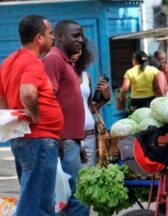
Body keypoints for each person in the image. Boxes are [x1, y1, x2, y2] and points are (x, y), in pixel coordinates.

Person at [0, 15, 64, 215]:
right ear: (39, 37)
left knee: (32, 197)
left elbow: (2, 98)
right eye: (50, 33)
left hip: (25, 139)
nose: (53, 37)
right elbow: (28, 92)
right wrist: (34, 115)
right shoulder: (32, 62)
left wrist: (14, 117)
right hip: (39, 139)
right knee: (37, 205)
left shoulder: (9, 62)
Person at [43, 20, 89, 215]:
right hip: (64, 140)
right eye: (75, 36)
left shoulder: (67, 62)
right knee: (78, 197)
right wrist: (58, 136)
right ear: (59, 37)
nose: (80, 40)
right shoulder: (53, 60)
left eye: (81, 36)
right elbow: (47, 98)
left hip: (71, 140)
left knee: (74, 196)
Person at [71, 37, 110, 167]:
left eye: (79, 51)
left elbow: (88, 108)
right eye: (72, 51)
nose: (75, 54)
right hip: (71, 138)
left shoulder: (85, 76)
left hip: (90, 136)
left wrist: (105, 98)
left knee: (90, 176)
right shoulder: (60, 75)